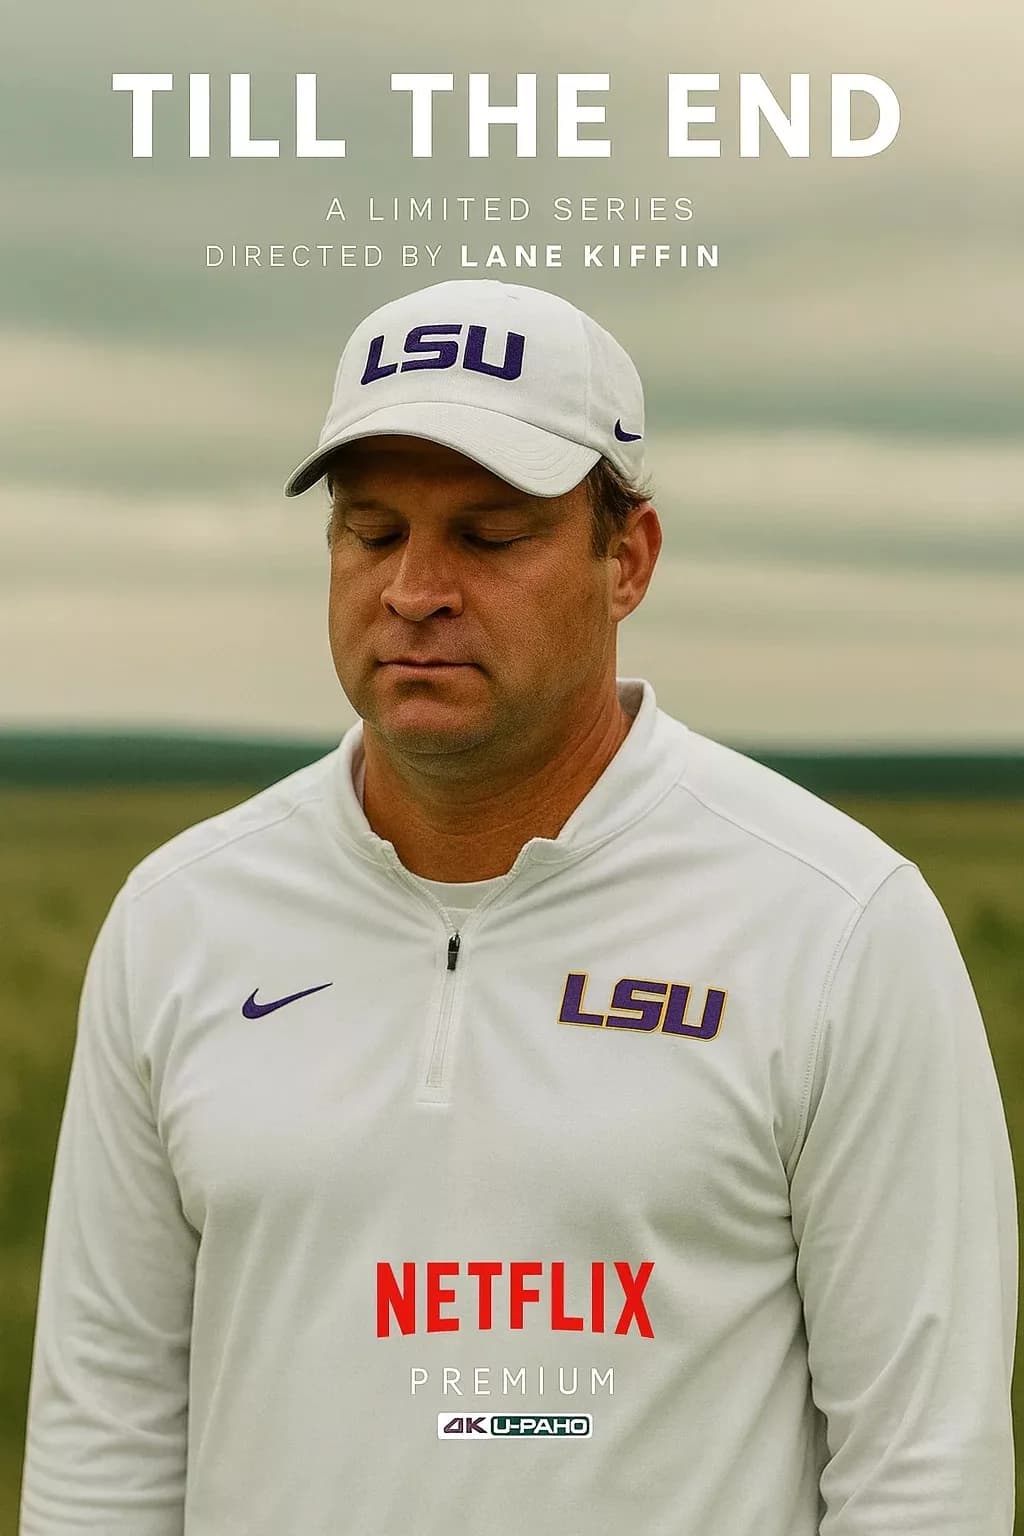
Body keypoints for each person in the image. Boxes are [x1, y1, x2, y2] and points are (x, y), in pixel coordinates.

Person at [20, 279, 1017, 1536]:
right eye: (372, 531)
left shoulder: (835, 923)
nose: (414, 589)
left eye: (488, 537)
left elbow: (923, 1469)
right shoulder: (182, 917)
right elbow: (103, 1436)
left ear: (627, 559)